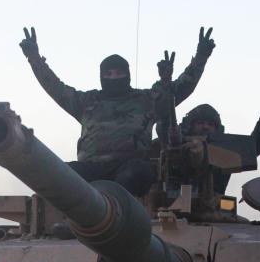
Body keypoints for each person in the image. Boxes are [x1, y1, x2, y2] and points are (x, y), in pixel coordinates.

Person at [19, 26, 216, 196]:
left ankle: (117, 213)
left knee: (137, 172)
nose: (114, 77)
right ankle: (73, 219)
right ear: (101, 76)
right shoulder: (86, 102)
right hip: (91, 167)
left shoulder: (146, 100)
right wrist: (34, 58)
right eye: (109, 74)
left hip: (129, 167)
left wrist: (201, 57)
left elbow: (179, 89)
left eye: (119, 73)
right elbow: (55, 87)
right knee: (60, 174)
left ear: (128, 75)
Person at [179, 96, 260, 194]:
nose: (206, 127)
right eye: (200, 123)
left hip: (211, 206)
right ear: (190, 125)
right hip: (171, 204)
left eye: (211, 124)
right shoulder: (175, 143)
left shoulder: (223, 149)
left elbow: (253, 148)